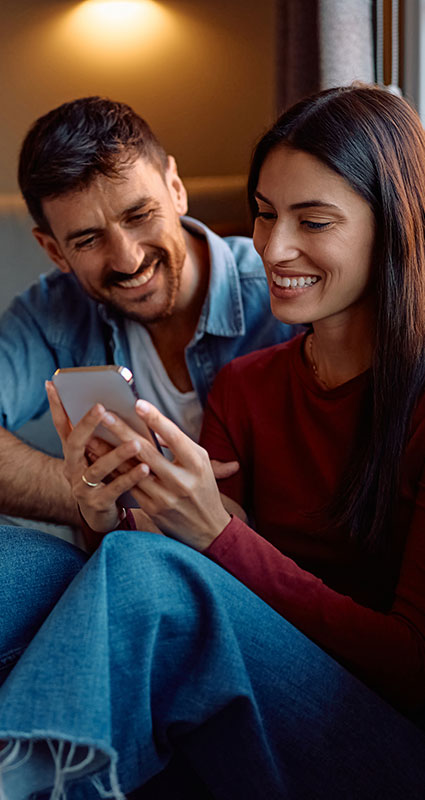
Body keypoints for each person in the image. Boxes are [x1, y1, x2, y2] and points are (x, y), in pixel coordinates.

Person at [1, 83, 425, 799]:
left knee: (144, 571)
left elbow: (411, 667)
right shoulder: (247, 386)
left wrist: (215, 534)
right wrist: (99, 511)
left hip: (377, 724)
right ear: (52, 249)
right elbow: (204, 593)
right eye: (264, 215)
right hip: (251, 667)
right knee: (22, 558)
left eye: (313, 220)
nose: (273, 246)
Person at [0, 96, 295, 535]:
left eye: (139, 215)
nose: (127, 259)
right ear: (53, 250)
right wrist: (109, 507)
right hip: (117, 546)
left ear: (175, 188)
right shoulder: (53, 310)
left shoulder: (283, 295)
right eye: (87, 240)